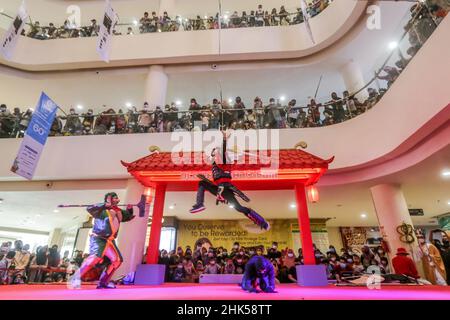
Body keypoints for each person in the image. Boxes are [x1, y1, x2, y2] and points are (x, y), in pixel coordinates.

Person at [189, 132, 270, 230]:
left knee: (239, 208)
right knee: (202, 183)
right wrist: (205, 179)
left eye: (213, 152)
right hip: (221, 188)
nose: (212, 154)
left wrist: (224, 139)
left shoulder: (223, 161)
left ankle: (262, 222)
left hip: (225, 188)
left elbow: (222, 151)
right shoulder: (216, 165)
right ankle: (200, 204)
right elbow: (216, 182)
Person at [70, 192, 135, 289]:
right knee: (95, 258)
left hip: (110, 240)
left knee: (117, 260)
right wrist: (103, 205)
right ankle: (75, 278)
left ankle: (103, 282)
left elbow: (128, 216)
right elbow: (90, 208)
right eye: (115, 198)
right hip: (98, 238)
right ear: (109, 199)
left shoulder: (117, 211)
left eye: (117, 198)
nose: (117, 200)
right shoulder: (101, 210)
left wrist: (130, 209)